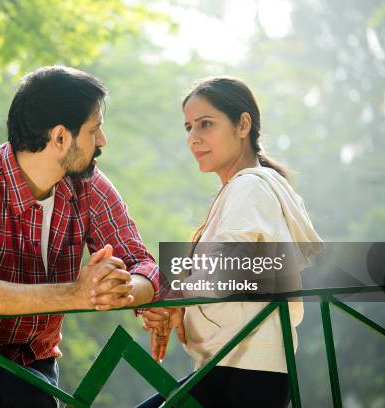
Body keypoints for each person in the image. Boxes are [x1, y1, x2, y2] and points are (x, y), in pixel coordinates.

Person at [0, 66, 159, 407]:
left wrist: (119, 290)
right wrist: (76, 294)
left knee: (33, 392)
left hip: (35, 361)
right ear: (60, 137)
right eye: (94, 130)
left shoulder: (89, 185)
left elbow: (143, 264)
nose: (102, 141)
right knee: (31, 396)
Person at [139, 77, 322, 408]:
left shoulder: (249, 188)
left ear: (243, 125)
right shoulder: (245, 188)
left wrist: (174, 298)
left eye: (205, 124)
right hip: (233, 367)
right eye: (188, 127)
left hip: (244, 373)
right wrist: (179, 303)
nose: (193, 138)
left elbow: (226, 267)